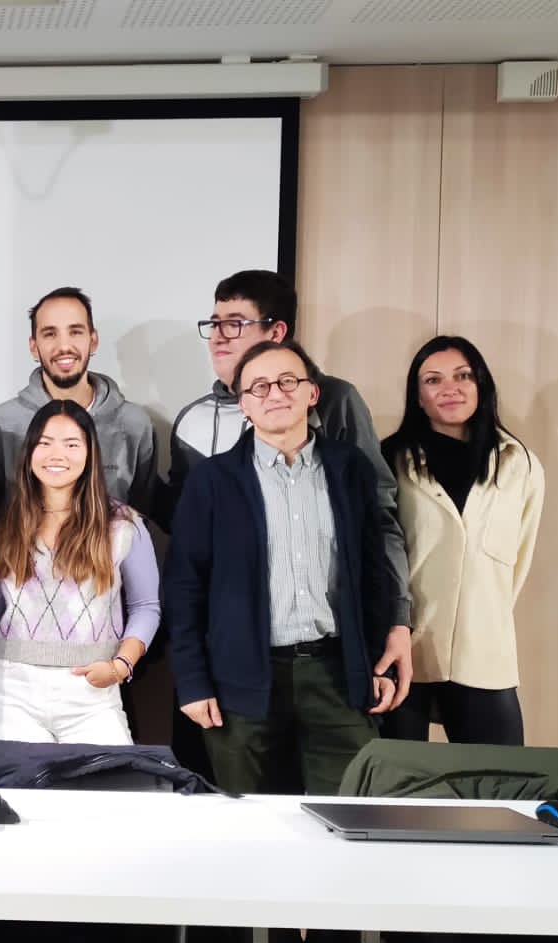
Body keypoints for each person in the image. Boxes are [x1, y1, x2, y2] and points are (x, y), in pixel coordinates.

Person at [163, 339, 398, 795]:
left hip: (336, 674)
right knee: (252, 827)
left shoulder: (350, 470)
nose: (276, 394)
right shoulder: (212, 481)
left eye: (289, 381)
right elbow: (184, 587)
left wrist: (377, 664)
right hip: (242, 676)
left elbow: (372, 574)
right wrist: (191, 682)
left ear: (312, 393)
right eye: (260, 386)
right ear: (243, 404)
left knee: (348, 816)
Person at [162, 269, 413, 696]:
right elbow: (189, 553)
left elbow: (380, 518)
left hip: (328, 650)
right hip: (228, 653)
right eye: (214, 323)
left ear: (277, 331)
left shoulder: (336, 401)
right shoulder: (192, 419)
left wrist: (398, 617)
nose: (219, 336)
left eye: (235, 323)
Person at [378, 336, 543, 745]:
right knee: (396, 793)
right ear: (417, 396)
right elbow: (379, 555)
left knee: (500, 786)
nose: (449, 388)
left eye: (463, 376)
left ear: (481, 385)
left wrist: (482, 613)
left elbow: (518, 558)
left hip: (483, 648)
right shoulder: (390, 459)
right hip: (404, 649)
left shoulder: (517, 462)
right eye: (433, 380)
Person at [0, 400, 160, 744]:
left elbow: (146, 606)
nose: (56, 454)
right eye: (44, 443)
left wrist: (121, 666)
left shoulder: (123, 525)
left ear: (91, 453)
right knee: (22, 796)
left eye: (72, 444)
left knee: (106, 792)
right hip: (13, 691)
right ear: (29, 452)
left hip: (93, 691)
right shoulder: (3, 524)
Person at [0, 287, 160, 518]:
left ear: (93, 340)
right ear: (33, 346)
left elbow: (142, 515)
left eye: (75, 332)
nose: (64, 346)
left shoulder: (134, 424)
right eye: (50, 334)